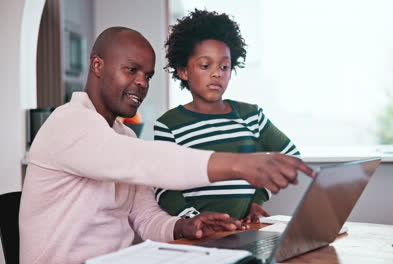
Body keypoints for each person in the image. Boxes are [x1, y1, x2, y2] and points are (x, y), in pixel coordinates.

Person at [19, 27, 314, 264]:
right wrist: (239, 164)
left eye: (147, 75)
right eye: (131, 70)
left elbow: (145, 217)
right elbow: (145, 160)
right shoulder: (69, 123)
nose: (142, 83)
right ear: (98, 65)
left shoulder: (124, 137)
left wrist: (184, 226)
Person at [153, 9, 301, 224]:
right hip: (198, 237)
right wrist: (194, 219)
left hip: (243, 230)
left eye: (225, 66)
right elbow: (162, 188)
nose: (217, 73)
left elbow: (290, 156)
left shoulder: (251, 115)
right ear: (183, 71)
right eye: (205, 65)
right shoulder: (169, 125)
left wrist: (257, 200)